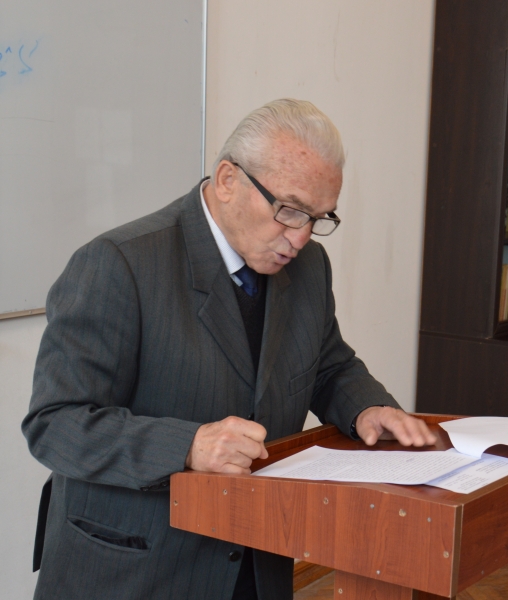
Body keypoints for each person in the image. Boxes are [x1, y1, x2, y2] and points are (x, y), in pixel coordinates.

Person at [22, 98, 437, 600]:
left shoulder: (309, 268)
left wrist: (368, 408)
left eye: (318, 217)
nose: (301, 237)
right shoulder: (118, 265)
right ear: (227, 180)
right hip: (135, 567)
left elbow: (327, 364)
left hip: (256, 556)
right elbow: (56, 423)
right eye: (289, 210)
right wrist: (187, 447)